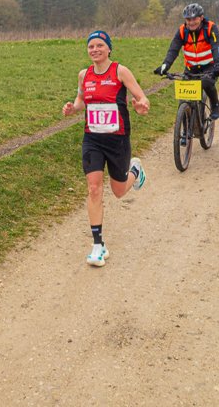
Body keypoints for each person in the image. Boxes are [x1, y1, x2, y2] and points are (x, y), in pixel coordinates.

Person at [62, 30, 150, 267]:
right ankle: (98, 245)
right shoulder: (84, 75)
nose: (95, 50)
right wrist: (73, 108)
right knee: (94, 188)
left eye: (100, 45)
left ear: (109, 48)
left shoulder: (120, 71)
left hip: (117, 139)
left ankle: (135, 170)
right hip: (92, 139)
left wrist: (141, 105)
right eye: (91, 46)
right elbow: (81, 100)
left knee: (119, 191)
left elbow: (142, 97)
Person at [153, 3, 219, 119]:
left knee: (207, 83)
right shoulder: (182, 31)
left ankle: (215, 105)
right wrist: (165, 65)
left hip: (209, 67)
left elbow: (216, 47)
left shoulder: (210, 28)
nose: (191, 22)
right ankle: (184, 121)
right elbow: (173, 49)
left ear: (201, 18)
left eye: (194, 19)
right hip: (191, 68)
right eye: (188, 19)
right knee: (184, 97)